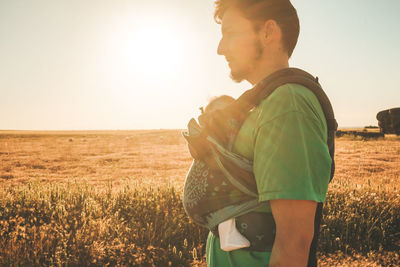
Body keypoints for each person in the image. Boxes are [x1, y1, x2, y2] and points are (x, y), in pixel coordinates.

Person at [205, 0, 333, 266]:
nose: (220, 48)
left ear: (268, 32)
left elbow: (293, 241)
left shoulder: (288, 104)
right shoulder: (265, 102)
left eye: (229, 33)